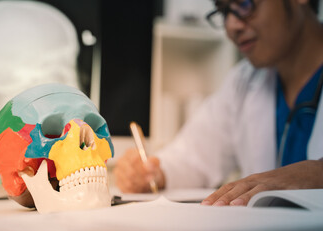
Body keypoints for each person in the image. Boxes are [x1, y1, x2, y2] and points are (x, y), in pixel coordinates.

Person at [114, 0, 323, 206]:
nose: (231, 26)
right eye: (224, 12)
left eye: (244, 4)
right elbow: (194, 156)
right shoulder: (243, 82)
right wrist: (154, 173)